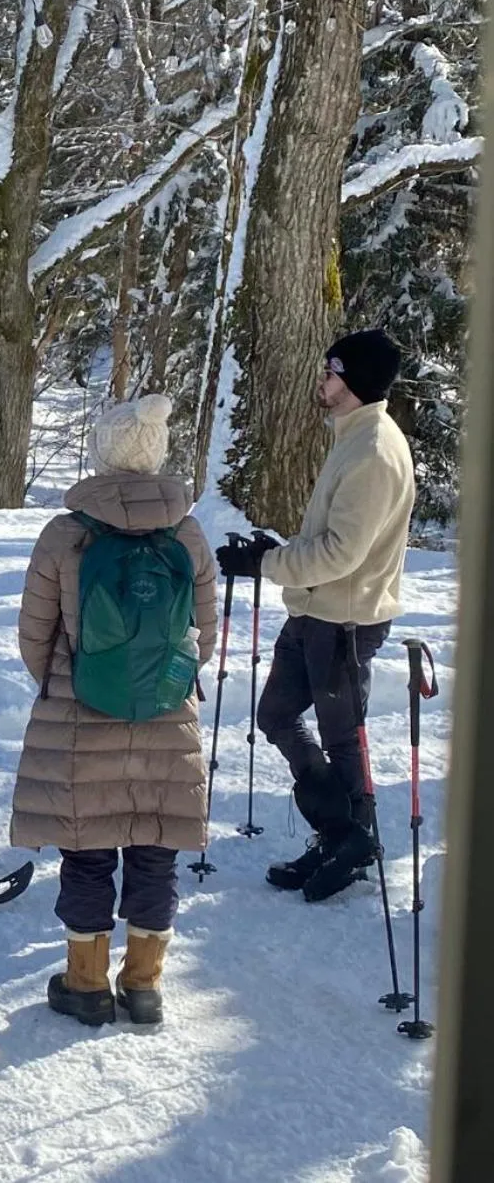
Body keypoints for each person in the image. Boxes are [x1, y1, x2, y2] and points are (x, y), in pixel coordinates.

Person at [11, 394, 217, 1026]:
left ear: (103, 452)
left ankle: (86, 986)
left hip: (81, 716)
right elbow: (203, 632)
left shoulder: (66, 534)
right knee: (156, 849)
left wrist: (65, 681)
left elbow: (34, 635)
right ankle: (145, 985)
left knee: (88, 850)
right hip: (166, 711)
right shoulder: (187, 532)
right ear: (154, 456)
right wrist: (168, 679)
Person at [218, 328, 415, 903]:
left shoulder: (374, 450)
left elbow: (342, 554)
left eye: (330, 374)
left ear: (352, 383)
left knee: (342, 739)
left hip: (345, 622)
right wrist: (271, 553)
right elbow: (331, 540)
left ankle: (352, 842)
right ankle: (343, 834)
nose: (322, 384)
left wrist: (268, 564)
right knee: (277, 714)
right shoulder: (353, 438)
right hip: (315, 612)